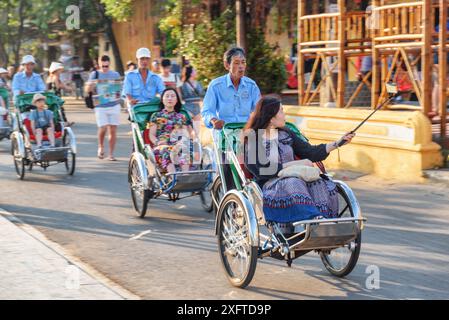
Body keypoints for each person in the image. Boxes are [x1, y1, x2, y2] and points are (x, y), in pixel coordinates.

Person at [243, 95, 355, 229]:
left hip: (295, 179)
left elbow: (310, 152)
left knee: (319, 181)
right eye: (282, 111)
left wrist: (338, 143)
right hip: (270, 185)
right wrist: (295, 164)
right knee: (293, 182)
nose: (284, 114)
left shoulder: (285, 134)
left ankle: (326, 221)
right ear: (271, 118)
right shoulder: (255, 137)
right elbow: (261, 170)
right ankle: (314, 220)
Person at [202, 47, 261, 189]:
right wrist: (213, 120)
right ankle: (230, 195)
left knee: (261, 160)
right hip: (225, 135)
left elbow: (259, 111)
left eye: (243, 62)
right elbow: (207, 111)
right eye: (236, 63)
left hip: (246, 134)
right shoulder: (216, 86)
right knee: (228, 169)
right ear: (227, 65)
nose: (241, 66)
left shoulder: (251, 86)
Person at [147, 88, 196, 174]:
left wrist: (182, 142)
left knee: (186, 147)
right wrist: (158, 142)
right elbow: (151, 134)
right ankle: (173, 177)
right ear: (162, 99)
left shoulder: (181, 116)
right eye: (167, 96)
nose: (170, 98)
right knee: (167, 150)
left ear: (176, 100)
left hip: (178, 144)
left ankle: (185, 175)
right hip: (162, 145)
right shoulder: (156, 116)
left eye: (173, 96)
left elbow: (185, 134)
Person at [86, 55, 122, 161]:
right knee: (103, 128)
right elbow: (87, 89)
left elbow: (120, 88)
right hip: (100, 106)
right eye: (103, 66)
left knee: (113, 130)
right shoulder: (94, 74)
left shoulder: (115, 74)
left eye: (106, 65)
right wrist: (91, 85)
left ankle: (111, 154)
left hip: (114, 105)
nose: (105, 68)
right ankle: (101, 146)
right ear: (99, 63)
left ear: (109, 63)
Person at [47, 62, 73, 127]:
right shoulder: (56, 77)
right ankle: (64, 122)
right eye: (59, 70)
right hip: (56, 96)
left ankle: (55, 122)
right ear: (56, 70)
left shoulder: (49, 77)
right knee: (60, 109)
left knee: (52, 109)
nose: (61, 71)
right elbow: (58, 86)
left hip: (50, 96)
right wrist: (65, 86)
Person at [180, 66, 204, 135]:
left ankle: (197, 144)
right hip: (187, 107)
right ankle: (189, 143)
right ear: (190, 73)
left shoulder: (199, 83)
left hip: (197, 106)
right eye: (194, 71)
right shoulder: (183, 84)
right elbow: (181, 97)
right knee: (188, 131)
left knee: (197, 131)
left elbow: (202, 95)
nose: (196, 72)